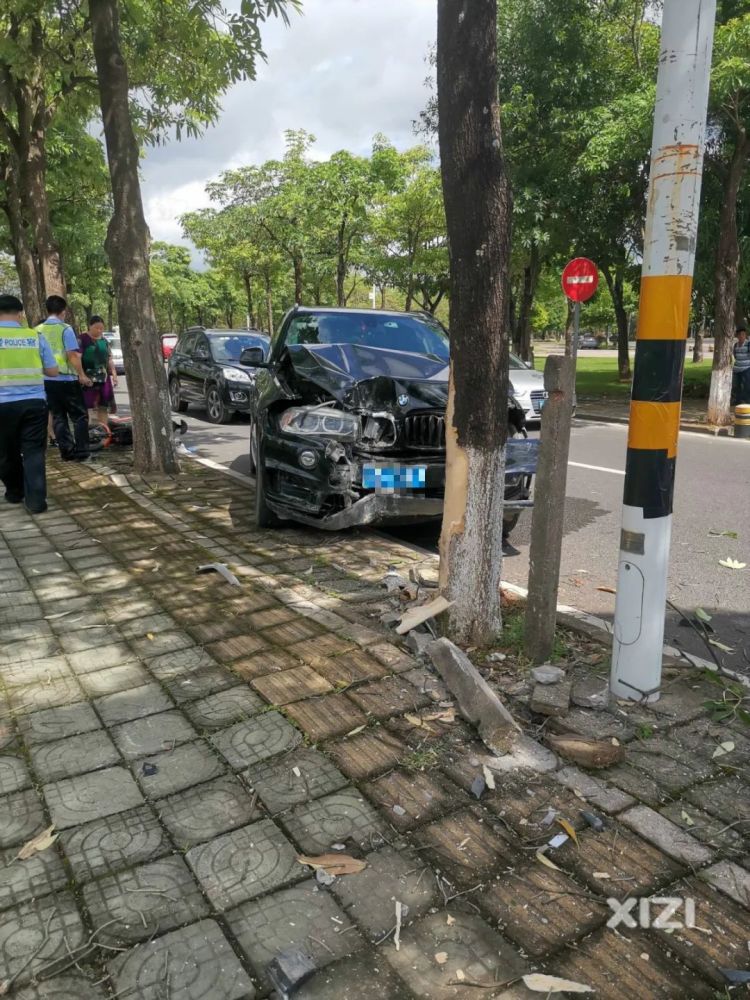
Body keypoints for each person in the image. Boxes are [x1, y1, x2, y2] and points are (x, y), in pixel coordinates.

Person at [0, 294, 59, 514]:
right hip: (34, 403)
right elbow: (52, 371)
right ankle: (36, 502)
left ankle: (15, 492)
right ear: (19, 314)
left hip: (2, 405)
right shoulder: (34, 336)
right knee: (34, 451)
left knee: (6, 451)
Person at [40, 295, 92, 461]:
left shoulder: (37, 330)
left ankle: (67, 452)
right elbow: (72, 355)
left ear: (47, 310)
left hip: (47, 380)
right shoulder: (65, 329)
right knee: (79, 416)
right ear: (63, 311)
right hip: (66, 379)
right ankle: (82, 451)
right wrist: (82, 375)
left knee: (58, 416)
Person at [80, 316, 118, 428]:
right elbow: (76, 358)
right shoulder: (82, 339)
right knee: (89, 405)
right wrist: (81, 375)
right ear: (90, 326)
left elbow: (109, 358)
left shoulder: (104, 341)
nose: (99, 331)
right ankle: (91, 430)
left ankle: (104, 430)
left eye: (101, 328)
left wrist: (114, 373)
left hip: (103, 377)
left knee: (103, 405)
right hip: (87, 378)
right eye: (97, 328)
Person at [732, 324, 750, 405]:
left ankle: (747, 401)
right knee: (736, 386)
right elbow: (735, 355)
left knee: (747, 385)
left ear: (745, 335)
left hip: (747, 369)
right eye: (739, 335)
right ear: (737, 336)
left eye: (743, 334)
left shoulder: (748, 344)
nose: (741, 336)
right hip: (736, 369)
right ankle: (737, 400)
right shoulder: (735, 345)